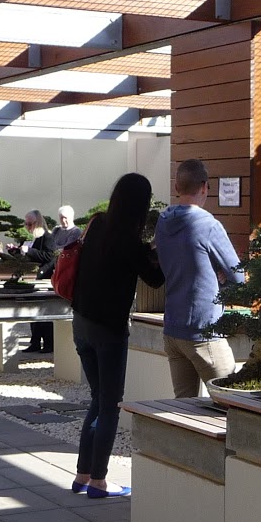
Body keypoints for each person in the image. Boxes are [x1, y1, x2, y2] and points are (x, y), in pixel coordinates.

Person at [70, 174, 163, 498]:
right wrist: (161, 249)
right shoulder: (129, 241)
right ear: (142, 204)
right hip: (108, 330)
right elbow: (155, 278)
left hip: (80, 323)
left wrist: (146, 250)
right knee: (110, 405)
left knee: (97, 399)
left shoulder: (97, 225)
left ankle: (82, 475)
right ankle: (98, 481)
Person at [153, 159, 245, 397]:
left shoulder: (162, 223)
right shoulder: (208, 225)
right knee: (232, 403)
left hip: (173, 327)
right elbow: (238, 276)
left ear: (176, 187)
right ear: (205, 187)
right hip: (205, 330)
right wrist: (221, 275)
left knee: (183, 408)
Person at [19, 210, 58, 353]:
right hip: (33, 276)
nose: (28, 226)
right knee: (33, 312)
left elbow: (49, 256)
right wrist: (17, 251)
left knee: (44, 314)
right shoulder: (33, 238)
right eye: (26, 224)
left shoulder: (47, 237)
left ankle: (48, 344)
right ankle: (35, 342)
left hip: (44, 276)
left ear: (38, 222)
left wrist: (29, 251)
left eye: (30, 223)